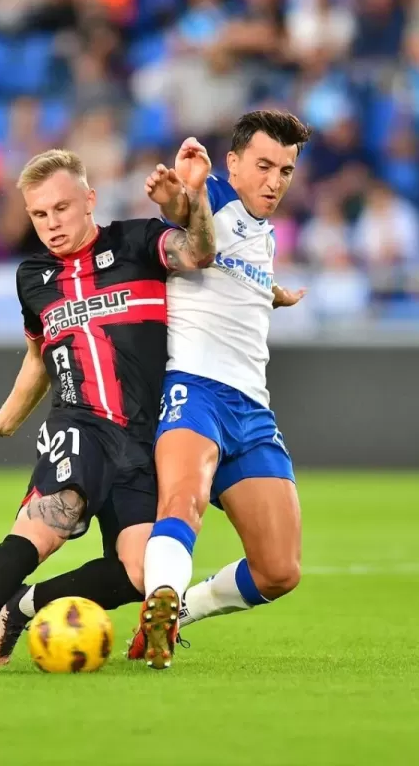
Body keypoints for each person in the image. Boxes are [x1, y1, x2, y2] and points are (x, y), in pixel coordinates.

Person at [0, 148, 216, 670]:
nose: (51, 224)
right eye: (39, 215)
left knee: (137, 572)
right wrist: (9, 415)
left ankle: (19, 608)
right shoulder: (33, 277)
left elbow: (198, 252)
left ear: (89, 200)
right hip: (80, 424)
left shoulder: (137, 241)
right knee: (42, 528)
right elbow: (39, 353)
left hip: (145, 435)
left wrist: (193, 198)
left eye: (61, 208)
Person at [132, 110, 312, 669]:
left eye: (285, 170)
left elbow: (238, 275)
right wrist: (175, 195)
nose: (275, 181)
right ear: (232, 163)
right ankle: (158, 597)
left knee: (279, 571)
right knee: (183, 501)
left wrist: (271, 294)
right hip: (196, 389)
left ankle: (179, 609)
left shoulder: (265, 232)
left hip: (252, 410)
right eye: (263, 166)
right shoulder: (210, 191)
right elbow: (186, 213)